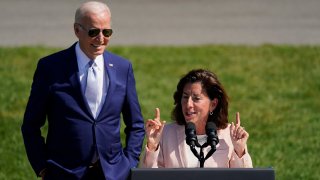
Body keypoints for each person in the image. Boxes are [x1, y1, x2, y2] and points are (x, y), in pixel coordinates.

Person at [21, 1, 145, 180]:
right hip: (64, 172)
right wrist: (42, 168)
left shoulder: (122, 67)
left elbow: (136, 124)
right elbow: (31, 125)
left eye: (107, 32)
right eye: (94, 31)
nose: (101, 38)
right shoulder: (50, 68)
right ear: (77, 30)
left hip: (112, 173)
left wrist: (129, 162)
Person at [142, 69, 252, 168]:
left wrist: (239, 150)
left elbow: (244, 178)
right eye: (185, 97)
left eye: (196, 98)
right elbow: (148, 177)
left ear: (213, 104)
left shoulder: (230, 135)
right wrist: (152, 146)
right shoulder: (165, 134)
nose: (188, 104)